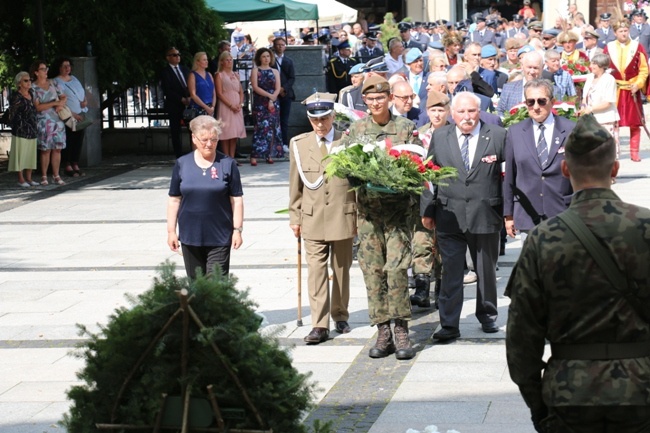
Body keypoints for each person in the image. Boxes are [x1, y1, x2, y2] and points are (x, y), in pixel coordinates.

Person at [505, 114, 650, 433]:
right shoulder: (646, 227)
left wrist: (538, 406)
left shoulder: (543, 238)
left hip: (570, 394)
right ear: (615, 169)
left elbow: (521, 340)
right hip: (641, 392)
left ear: (565, 168)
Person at [340, 75, 421, 360]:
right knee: (373, 271)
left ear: (389, 98)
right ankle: (382, 329)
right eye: (370, 99)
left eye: (380, 98)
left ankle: (401, 329)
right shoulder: (356, 129)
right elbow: (342, 164)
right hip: (369, 214)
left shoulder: (406, 127)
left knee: (397, 270)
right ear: (365, 101)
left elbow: (417, 165)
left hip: (398, 213)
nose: (375, 103)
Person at [421, 91, 506, 341]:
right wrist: (427, 209)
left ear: (479, 112)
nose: (467, 117)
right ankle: (449, 323)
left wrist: (509, 213)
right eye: (461, 112)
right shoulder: (441, 136)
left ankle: (487, 314)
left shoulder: (498, 136)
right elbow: (429, 175)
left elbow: (509, 176)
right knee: (451, 271)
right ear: (452, 114)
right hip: (449, 215)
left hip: (486, 214)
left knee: (486, 269)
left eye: (471, 111)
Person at [288, 92, 357, 344]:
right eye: (315, 120)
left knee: (341, 270)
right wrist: (294, 216)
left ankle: (340, 313)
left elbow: (356, 182)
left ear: (333, 117)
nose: (320, 124)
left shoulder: (347, 142)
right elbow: (295, 185)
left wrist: (358, 215)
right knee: (316, 271)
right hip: (312, 216)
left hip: (342, 214)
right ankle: (319, 324)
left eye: (325, 119)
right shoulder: (299, 144)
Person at [167, 115, 244, 278]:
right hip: (190, 235)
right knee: (196, 287)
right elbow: (174, 199)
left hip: (220, 235)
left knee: (216, 287)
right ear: (194, 138)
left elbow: (236, 200)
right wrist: (171, 231)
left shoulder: (228, 164)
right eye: (204, 139)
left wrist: (237, 230)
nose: (209, 144)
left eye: (214, 139)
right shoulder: (182, 164)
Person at [504, 79, 575, 240]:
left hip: (562, 211)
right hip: (528, 213)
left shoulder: (570, 129)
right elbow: (510, 176)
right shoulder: (515, 133)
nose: (536, 107)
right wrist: (508, 215)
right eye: (530, 102)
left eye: (541, 101)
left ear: (552, 102)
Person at [604, 19, 648, 161]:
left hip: (631, 89)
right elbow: (604, 68)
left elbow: (644, 70)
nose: (624, 33)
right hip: (615, 89)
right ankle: (614, 151)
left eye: (625, 31)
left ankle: (634, 152)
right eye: (621, 31)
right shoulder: (608, 48)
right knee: (613, 122)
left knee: (635, 122)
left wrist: (638, 84)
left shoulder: (637, 47)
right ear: (615, 33)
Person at [30, 60, 67, 186]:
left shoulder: (53, 82)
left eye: (46, 68)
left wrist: (60, 104)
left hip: (57, 121)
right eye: (42, 69)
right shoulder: (33, 88)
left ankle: (56, 175)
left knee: (57, 149)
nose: (46, 71)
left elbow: (63, 96)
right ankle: (44, 175)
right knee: (45, 150)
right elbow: (38, 107)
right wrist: (54, 103)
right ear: (36, 72)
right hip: (43, 121)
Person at [52, 57, 89, 177]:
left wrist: (85, 101)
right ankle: (67, 164)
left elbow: (81, 93)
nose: (67, 68)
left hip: (80, 113)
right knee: (69, 140)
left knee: (78, 140)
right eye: (64, 66)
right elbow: (58, 100)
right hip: (67, 116)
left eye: (68, 65)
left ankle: (75, 163)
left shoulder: (74, 78)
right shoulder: (56, 81)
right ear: (59, 68)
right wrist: (73, 114)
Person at [579, 53, 620, 155]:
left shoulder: (609, 79)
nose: (591, 66)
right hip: (591, 120)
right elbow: (585, 97)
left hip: (605, 119)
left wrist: (591, 109)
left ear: (602, 66)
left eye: (594, 64)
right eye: (591, 63)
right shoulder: (590, 78)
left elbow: (608, 102)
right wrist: (584, 108)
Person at [250, 47, 283, 165]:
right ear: (259, 58)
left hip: (274, 102)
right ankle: (255, 155)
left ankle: (269, 154)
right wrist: (269, 96)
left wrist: (273, 98)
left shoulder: (275, 71)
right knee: (260, 128)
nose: (266, 58)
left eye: (268, 56)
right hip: (260, 103)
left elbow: (278, 87)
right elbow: (255, 87)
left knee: (272, 128)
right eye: (263, 56)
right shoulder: (255, 70)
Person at [7, 71, 38, 187]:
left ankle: (29, 178)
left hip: (32, 128)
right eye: (26, 80)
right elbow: (13, 114)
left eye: (29, 80)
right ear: (19, 83)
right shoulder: (16, 97)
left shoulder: (31, 93)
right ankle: (21, 179)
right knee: (20, 155)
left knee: (30, 154)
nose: (29, 82)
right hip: (21, 130)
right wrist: (18, 125)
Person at [160, 47, 190, 158]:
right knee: (175, 131)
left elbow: (190, 84)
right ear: (168, 58)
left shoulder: (185, 69)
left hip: (188, 104)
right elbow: (167, 90)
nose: (177, 56)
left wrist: (190, 97)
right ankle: (179, 154)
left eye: (178, 54)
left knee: (192, 128)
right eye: (174, 55)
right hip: (174, 104)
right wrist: (180, 99)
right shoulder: (165, 72)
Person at [215, 51, 246, 160]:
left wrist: (240, 103)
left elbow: (241, 91)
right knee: (226, 133)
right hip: (226, 106)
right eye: (227, 60)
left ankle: (232, 158)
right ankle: (226, 158)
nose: (229, 62)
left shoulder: (236, 75)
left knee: (234, 133)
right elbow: (219, 93)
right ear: (222, 62)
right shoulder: (219, 75)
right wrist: (230, 105)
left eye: (230, 60)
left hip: (237, 106)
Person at [498, 50, 544, 117]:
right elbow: (500, 111)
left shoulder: (553, 90)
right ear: (522, 66)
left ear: (542, 67)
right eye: (529, 67)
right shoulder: (508, 88)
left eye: (535, 68)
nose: (532, 71)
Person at [272, 37, 296, 152]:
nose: (280, 47)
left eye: (282, 44)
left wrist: (283, 88)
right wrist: (277, 89)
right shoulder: (270, 60)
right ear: (274, 46)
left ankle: (284, 143)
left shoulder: (289, 61)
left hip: (286, 94)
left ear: (285, 46)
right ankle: (274, 144)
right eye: (278, 44)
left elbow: (292, 78)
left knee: (284, 120)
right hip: (273, 94)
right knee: (273, 120)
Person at [187, 51, 216, 126]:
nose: (206, 61)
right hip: (198, 108)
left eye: (206, 60)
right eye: (204, 60)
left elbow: (214, 92)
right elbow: (193, 95)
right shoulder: (193, 75)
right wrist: (206, 107)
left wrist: (212, 107)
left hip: (210, 108)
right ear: (197, 62)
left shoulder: (209, 74)